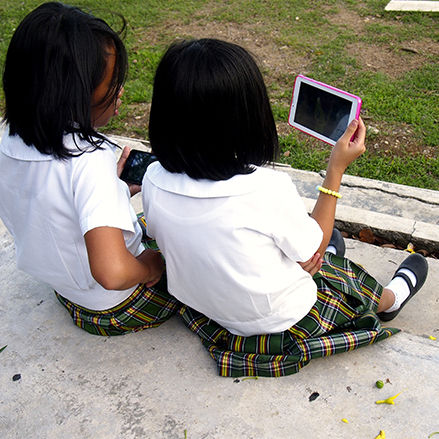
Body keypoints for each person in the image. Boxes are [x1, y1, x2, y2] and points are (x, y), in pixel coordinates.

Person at [142, 38, 429, 377]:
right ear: (247, 118)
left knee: (308, 247)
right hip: (280, 318)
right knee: (333, 270)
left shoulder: (152, 178)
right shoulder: (264, 188)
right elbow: (315, 246)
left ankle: (316, 256)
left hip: (207, 308)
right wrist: (335, 169)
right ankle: (389, 301)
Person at [0, 2, 180, 336]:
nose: (120, 92)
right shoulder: (88, 161)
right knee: (194, 254)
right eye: (111, 84)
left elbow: (49, 203)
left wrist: (116, 191)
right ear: (71, 94)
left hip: (67, 290)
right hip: (119, 304)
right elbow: (112, 272)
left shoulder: (8, 137)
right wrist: (148, 266)